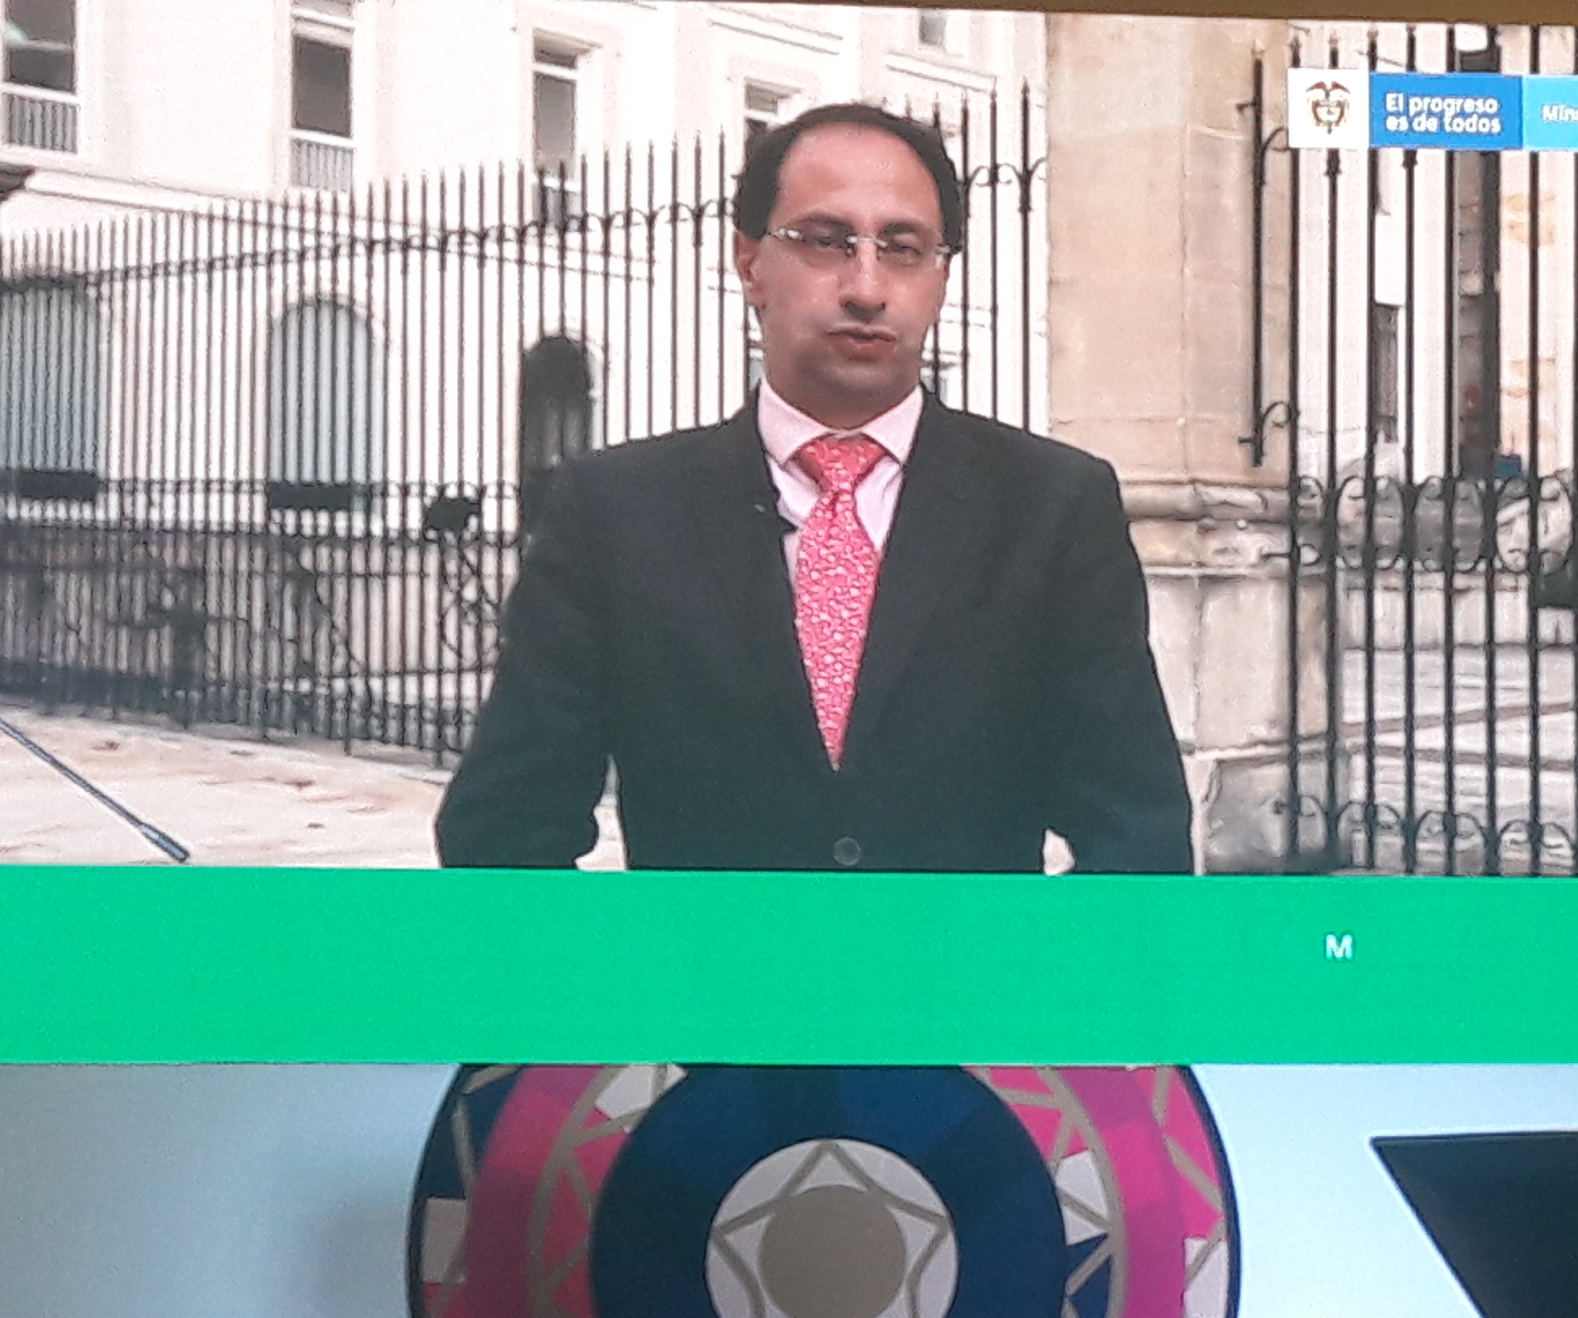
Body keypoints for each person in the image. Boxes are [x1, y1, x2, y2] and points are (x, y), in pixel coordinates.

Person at [436, 103, 1191, 873]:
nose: (867, 287)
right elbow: (503, 833)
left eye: (903, 249)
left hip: (963, 956)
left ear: (941, 277)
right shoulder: (614, 513)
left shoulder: (1053, 506)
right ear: (749, 261)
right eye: (826, 241)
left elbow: (1138, 837)